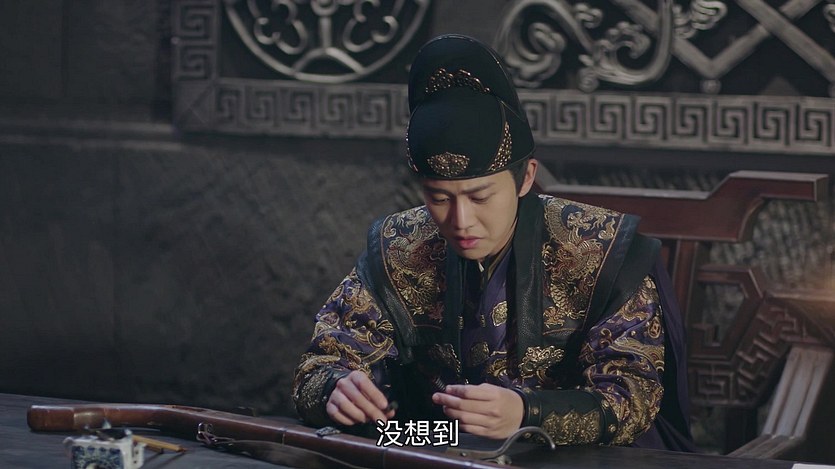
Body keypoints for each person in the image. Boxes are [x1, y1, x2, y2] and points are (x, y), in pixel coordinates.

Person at [292, 34, 695, 451]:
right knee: (354, 445)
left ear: (526, 177)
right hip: (441, 443)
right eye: (439, 198)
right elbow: (319, 364)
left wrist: (527, 412)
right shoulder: (399, 247)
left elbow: (635, 398)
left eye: (480, 197)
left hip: (567, 454)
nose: (460, 220)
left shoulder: (599, 249)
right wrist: (333, 390)